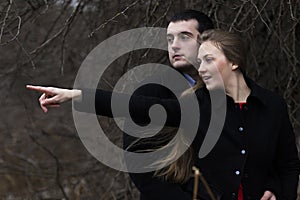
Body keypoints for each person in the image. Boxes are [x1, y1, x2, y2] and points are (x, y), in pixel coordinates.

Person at [27, 29, 300, 199]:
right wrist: (74, 96)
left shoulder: (272, 106)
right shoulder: (197, 106)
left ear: (234, 61)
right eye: (199, 60)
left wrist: (278, 191)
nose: (201, 68)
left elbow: (287, 165)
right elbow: (133, 105)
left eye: (209, 60)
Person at [28, 10, 218, 200]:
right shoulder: (152, 90)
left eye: (184, 37)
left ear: (207, 42)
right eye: (169, 39)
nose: (174, 45)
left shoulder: (228, 89)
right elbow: (140, 164)